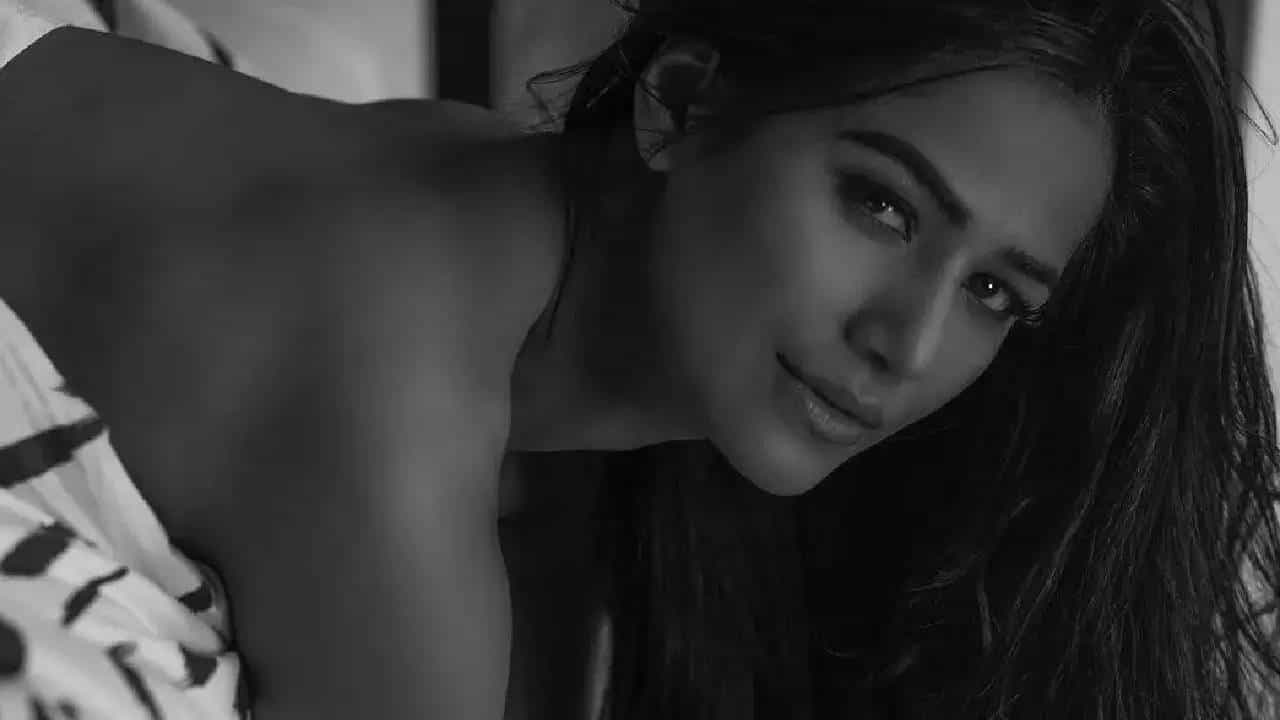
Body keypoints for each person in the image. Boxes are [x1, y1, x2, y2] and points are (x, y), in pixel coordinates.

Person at [0, 1, 1275, 719]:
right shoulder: (395, 466)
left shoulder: (458, 180)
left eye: (993, 291)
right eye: (881, 206)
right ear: (678, 101)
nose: (909, 342)